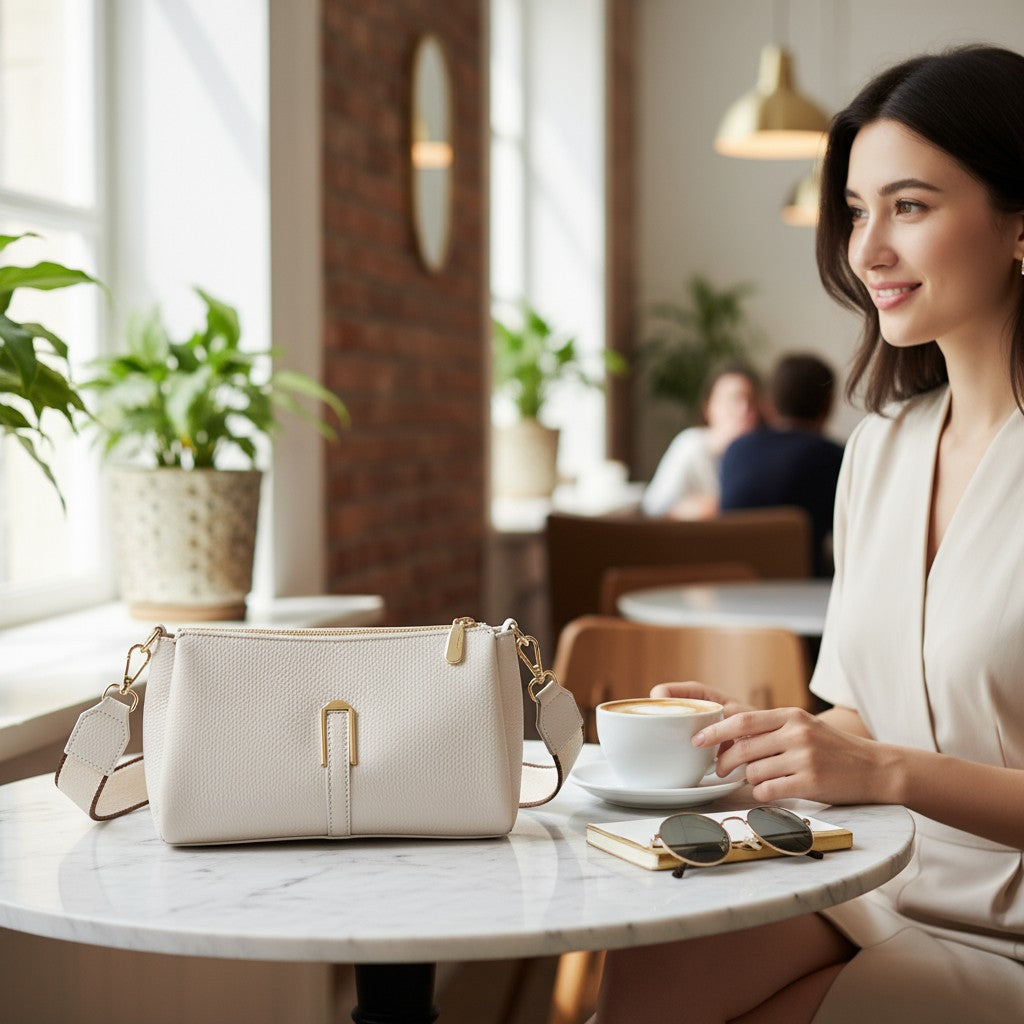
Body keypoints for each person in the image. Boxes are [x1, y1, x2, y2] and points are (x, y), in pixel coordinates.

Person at [594, 45, 1024, 1023]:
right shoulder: (879, 448)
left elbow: (887, 759)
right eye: (858, 210)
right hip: (877, 869)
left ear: (1017, 224)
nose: (866, 248)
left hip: (1004, 918)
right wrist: (748, 740)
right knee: (654, 962)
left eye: (908, 207)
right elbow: (863, 720)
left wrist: (887, 773)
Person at [719, 353, 845, 576]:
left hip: (733, 589)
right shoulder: (833, 457)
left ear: (769, 405)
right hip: (803, 595)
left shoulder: (735, 451)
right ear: (828, 405)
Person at [641, 362, 761, 519]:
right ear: (709, 407)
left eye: (751, 401)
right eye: (734, 399)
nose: (744, 409)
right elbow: (654, 508)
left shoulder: (762, 455)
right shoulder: (691, 444)